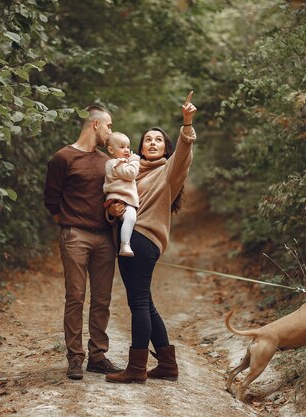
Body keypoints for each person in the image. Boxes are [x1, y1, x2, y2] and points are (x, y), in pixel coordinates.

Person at [105, 91, 197, 384]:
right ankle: (167, 365)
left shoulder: (168, 172)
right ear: (140, 147)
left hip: (142, 241)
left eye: (159, 139)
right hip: (133, 238)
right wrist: (113, 211)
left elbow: (183, 153)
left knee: (139, 304)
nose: (153, 143)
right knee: (145, 302)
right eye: (148, 139)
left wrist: (186, 124)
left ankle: (136, 369)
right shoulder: (130, 173)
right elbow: (115, 203)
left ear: (166, 148)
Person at [43, 105, 122, 380]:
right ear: (96, 125)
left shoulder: (106, 162)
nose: (111, 131)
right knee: (75, 298)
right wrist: (69, 225)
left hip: (105, 238)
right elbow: (51, 200)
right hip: (75, 235)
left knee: (102, 299)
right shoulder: (63, 158)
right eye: (109, 126)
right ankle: (75, 358)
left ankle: (98, 356)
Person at [102, 132, 141, 257]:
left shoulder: (120, 162)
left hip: (123, 198)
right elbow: (130, 174)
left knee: (129, 219)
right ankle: (125, 244)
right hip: (119, 199)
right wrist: (134, 161)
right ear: (111, 150)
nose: (126, 150)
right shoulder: (114, 163)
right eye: (122, 147)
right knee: (130, 218)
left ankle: (123, 244)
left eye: (128, 147)